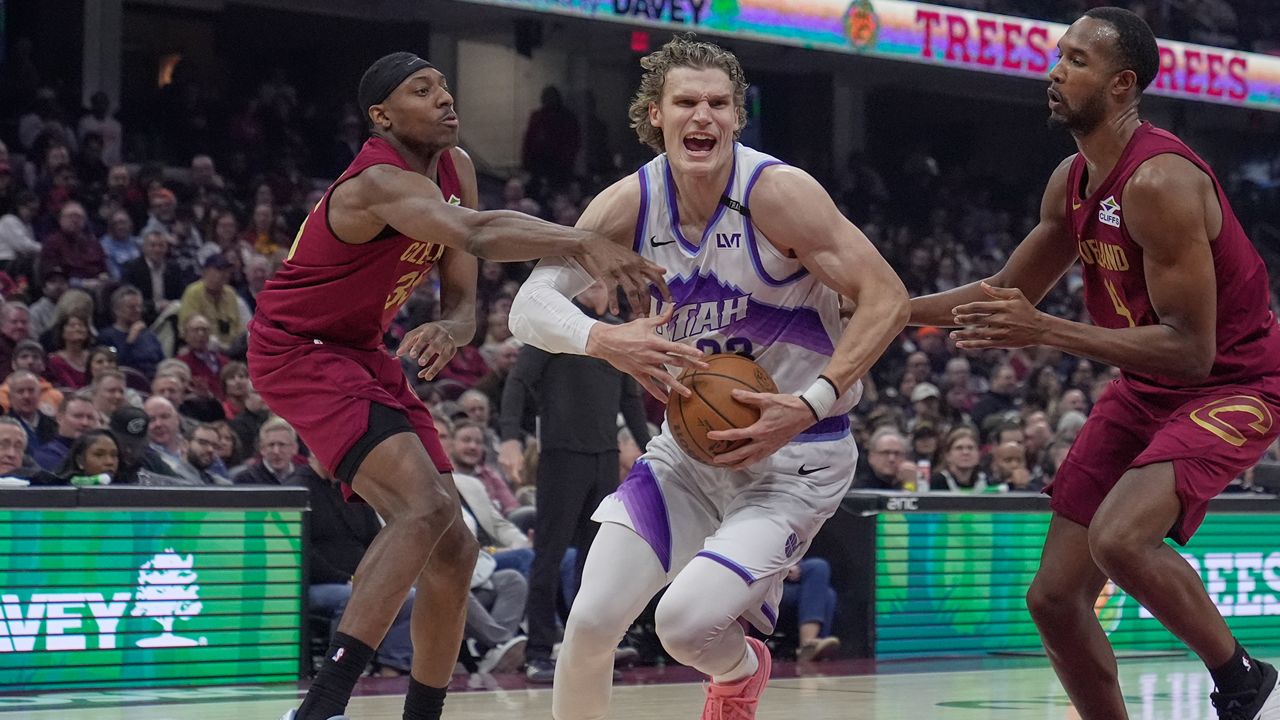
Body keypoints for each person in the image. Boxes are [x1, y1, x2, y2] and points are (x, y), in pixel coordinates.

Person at [252, 52, 665, 720]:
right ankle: (321, 705)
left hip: (361, 351)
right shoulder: (375, 185)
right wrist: (583, 241)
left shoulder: (457, 167)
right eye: (423, 91)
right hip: (298, 350)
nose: (446, 98)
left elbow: (464, 293)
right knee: (423, 508)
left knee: (457, 544)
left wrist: (452, 325)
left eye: (445, 86)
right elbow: (477, 229)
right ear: (383, 116)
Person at [508, 35, 908, 720]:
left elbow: (888, 298)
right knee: (590, 622)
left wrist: (808, 404)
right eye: (687, 102)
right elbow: (528, 307)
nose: (705, 117)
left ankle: (744, 667)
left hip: (796, 456)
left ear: (737, 115)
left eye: (720, 104)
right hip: (688, 454)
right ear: (654, 115)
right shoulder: (630, 204)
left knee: (685, 627)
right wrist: (605, 341)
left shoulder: (778, 194)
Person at [908, 8, 1280, 717]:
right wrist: (891, 309)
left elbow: (1192, 351)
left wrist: (1045, 330)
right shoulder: (1071, 179)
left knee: (1119, 539)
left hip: (1237, 382)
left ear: (1121, 85)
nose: (1055, 71)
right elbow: (1004, 295)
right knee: (1052, 598)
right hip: (1147, 384)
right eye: (1060, 55)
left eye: (1077, 61)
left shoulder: (1160, 182)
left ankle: (1239, 676)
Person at [498, 279, 653, 682]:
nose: (599, 288)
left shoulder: (618, 333)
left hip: (604, 458)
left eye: (605, 281)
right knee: (548, 557)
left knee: (596, 563)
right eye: (592, 280)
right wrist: (511, 438)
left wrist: (650, 451)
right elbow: (516, 383)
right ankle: (538, 653)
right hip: (561, 456)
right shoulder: (557, 325)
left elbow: (630, 401)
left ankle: (588, 654)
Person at [291, 455, 417, 677]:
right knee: (351, 598)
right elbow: (301, 551)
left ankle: (392, 668)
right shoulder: (297, 488)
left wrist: (384, 575)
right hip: (316, 585)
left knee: (409, 596)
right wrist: (344, 578)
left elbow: (378, 539)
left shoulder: (353, 487)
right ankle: (339, 671)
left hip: (360, 581)